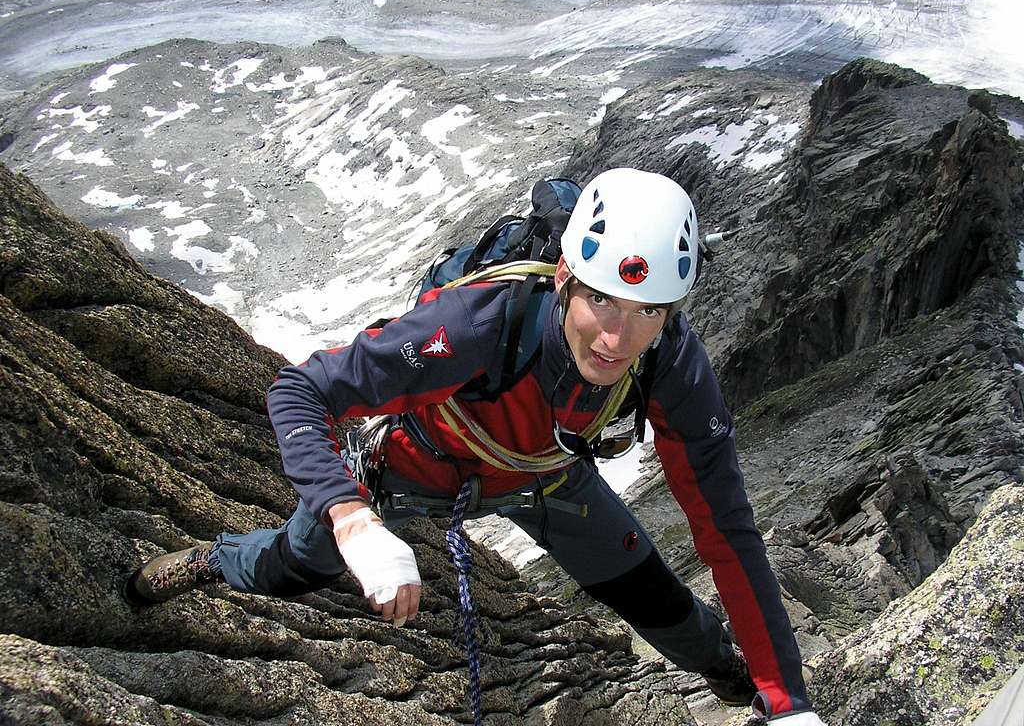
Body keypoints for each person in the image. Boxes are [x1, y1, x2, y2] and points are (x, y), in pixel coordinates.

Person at [123, 168, 825, 724]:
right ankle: (216, 560)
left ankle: (743, 680)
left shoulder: (670, 360)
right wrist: (351, 514)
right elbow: (302, 390)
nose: (618, 338)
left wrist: (787, 697)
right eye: (601, 302)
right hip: (408, 472)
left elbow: (726, 530)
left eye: (647, 312)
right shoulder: (484, 320)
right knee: (295, 564)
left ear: (670, 313)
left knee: (655, 597)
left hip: (545, 477)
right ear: (563, 281)